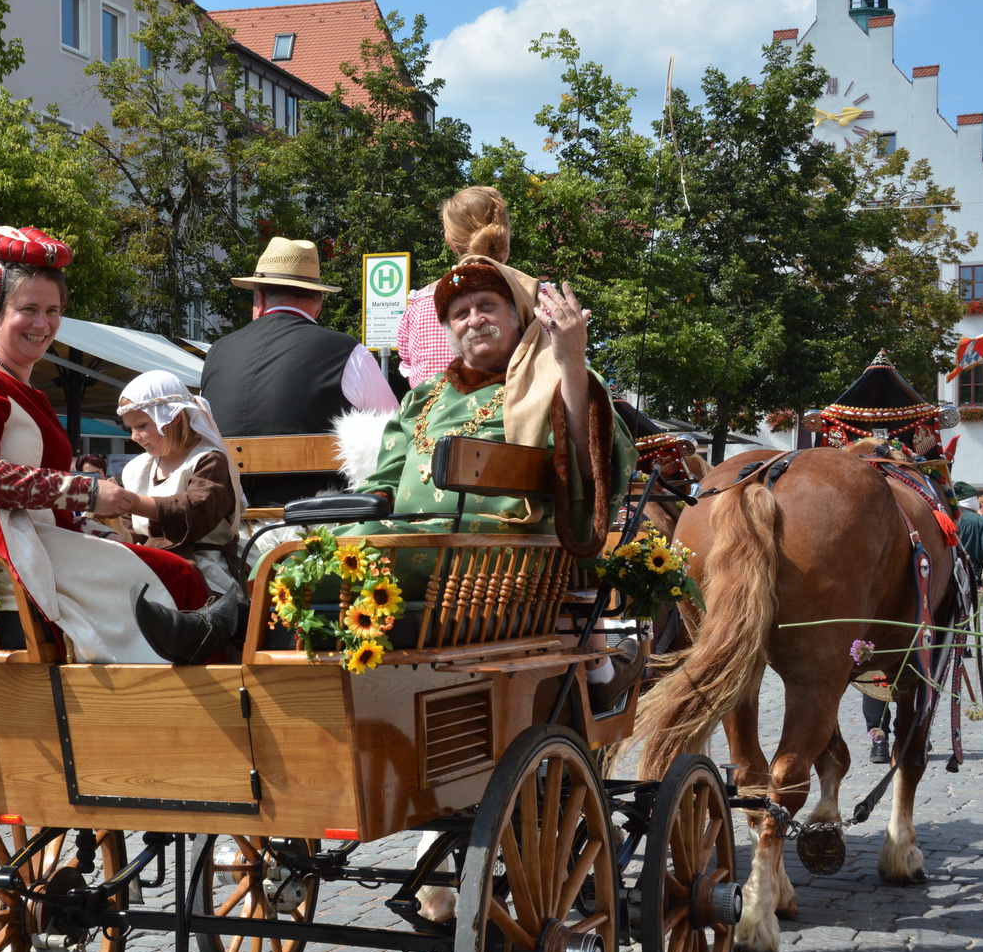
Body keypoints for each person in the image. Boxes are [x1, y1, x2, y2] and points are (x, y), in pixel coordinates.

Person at [141, 255, 637, 671]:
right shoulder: (424, 397)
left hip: (491, 553)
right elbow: (380, 485)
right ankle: (236, 645)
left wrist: (571, 361)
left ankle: (215, 628)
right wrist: (340, 516)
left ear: (517, 316)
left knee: (320, 556)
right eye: (459, 313)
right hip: (411, 542)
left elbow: (591, 466)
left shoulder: (549, 379)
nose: (473, 319)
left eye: (487, 306)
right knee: (288, 549)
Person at [0, 219, 207, 664]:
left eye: (53, 311)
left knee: (177, 569)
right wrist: (90, 492)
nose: (43, 324)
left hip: (39, 536)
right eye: (28, 309)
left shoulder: (23, 388)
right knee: (176, 577)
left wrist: (92, 517)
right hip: (4, 546)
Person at [200, 236, 398, 506]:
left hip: (232, 519)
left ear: (258, 296)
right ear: (319, 301)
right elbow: (393, 430)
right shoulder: (347, 351)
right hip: (318, 524)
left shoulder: (216, 353)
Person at [116, 371, 245, 597]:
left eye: (142, 426)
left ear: (173, 417)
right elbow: (130, 529)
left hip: (203, 566)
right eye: (131, 428)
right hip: (151, 564)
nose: (134, 437)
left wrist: (132, 503)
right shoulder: (137, 469)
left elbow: (196, 510)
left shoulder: (208, 460)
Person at [395, 186, 510, 387]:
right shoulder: (542, 299)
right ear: (505, 231)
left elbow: (415, 381)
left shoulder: (419, 307)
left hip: (438, 417)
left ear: (450, 241)